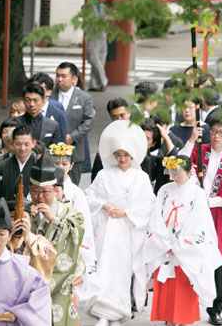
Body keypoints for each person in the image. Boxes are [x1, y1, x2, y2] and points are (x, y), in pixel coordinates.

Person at [85, 120, 156, 325]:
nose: (122, 159)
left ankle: (118, 312)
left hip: (126, 229)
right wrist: (103, 205)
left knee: (122, 271)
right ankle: (102, 313)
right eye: (118, 154)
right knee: (104, 268)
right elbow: (89, 197)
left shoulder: (140, 177)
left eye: (126, 155)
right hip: (106, 228)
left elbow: (147, 204)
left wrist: (127, 212)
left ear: (133, 155)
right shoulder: (103, 174)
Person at [180, 115, 222, 326]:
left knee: (217, 259)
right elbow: (182, 165)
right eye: (214, 132)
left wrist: (211, 201)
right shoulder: (200, 150)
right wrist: (192, 139)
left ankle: (215, 308)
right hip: (194, 213)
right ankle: (184, 305)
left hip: (217, 214)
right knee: (188, 255)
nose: (217, 136)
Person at [143, 155, 222, 326]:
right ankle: (168, 319)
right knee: (167, 287)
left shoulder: (197, 193)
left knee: (184, 286)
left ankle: (183, 320)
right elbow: (156, 216)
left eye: (178, 173)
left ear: (190, 172)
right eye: (172, 172)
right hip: (165, 244)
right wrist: (164, 243)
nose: (175, 176)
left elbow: (199, 222)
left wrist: (179, 246)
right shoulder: (165, 189)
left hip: (186, 249)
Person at [28, 151, 86, 326]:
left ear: (55, 190)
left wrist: (53, 220)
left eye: (45, 192)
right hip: (30, 279)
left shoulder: (70, 212)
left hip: (59, 279)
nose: (39, 197)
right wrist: (25, 220)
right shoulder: (24, 210)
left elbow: (75, 234)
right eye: (35, 191)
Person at [49, 143, 98, 302]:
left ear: (71, 165)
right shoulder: (43, 188)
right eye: (56, 163)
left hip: (68, 244)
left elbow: (84, 225)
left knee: (68, 293)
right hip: (47, 244)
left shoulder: (77, 194)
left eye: (64, 164)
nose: (60, 167)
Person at [0, 125, 37, 226]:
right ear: (12, 142)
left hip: (32, 221)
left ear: (33, 143)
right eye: (18, 144)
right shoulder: (1, 168)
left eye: (27, 144)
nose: (22, 148)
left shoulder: (38, 166)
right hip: (5, 221)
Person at [51, 62, 95, 185]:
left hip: (74, 150)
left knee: (72, 186)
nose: (59, 79)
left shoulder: (84, 98)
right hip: (52, 149)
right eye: (57, 75)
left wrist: (72, 137)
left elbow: (88, 120)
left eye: (64, 76)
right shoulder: (50, 96)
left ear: (74, 78)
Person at [91, 98, 130, 182]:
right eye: (115, 116)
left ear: (129, 113)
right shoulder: (105, 137)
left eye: (122, 115)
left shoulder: (139, 132)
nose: (119, 119)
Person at [15, 83, 61, 147]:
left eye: (36, 100)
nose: (31, 104)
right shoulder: (14, 123)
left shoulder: (53, 126)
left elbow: (55, 151)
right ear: (23, 101)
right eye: (27, 100)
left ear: (43, 101)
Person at [28, 72, 68, 142]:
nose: (36, 92)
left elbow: (61, 141)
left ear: (48, 92)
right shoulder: (24, 109)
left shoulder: (58, 113)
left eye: (40, 89)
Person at [87, 0, 108, 92]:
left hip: (103, 37)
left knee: (101, 62)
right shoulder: (89, 8)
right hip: (93, 37)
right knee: (94, 61)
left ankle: (93, 84)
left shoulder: (105, 8)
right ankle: (103, 82)